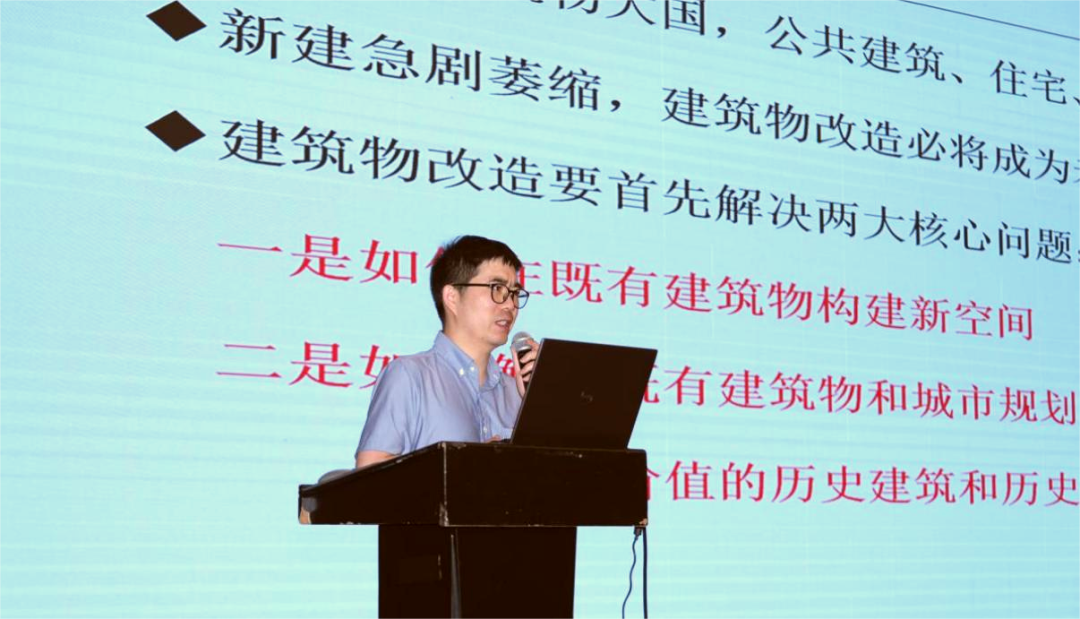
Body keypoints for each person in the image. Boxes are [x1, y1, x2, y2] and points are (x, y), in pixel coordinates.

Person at [353, 234, 538, 469]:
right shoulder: (409, 376)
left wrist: (541, 400)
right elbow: (370, 471)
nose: (510, 304)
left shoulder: (518, 393)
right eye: (497, 288)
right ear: (452, 297)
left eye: (514, 292)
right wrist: (472, 463)